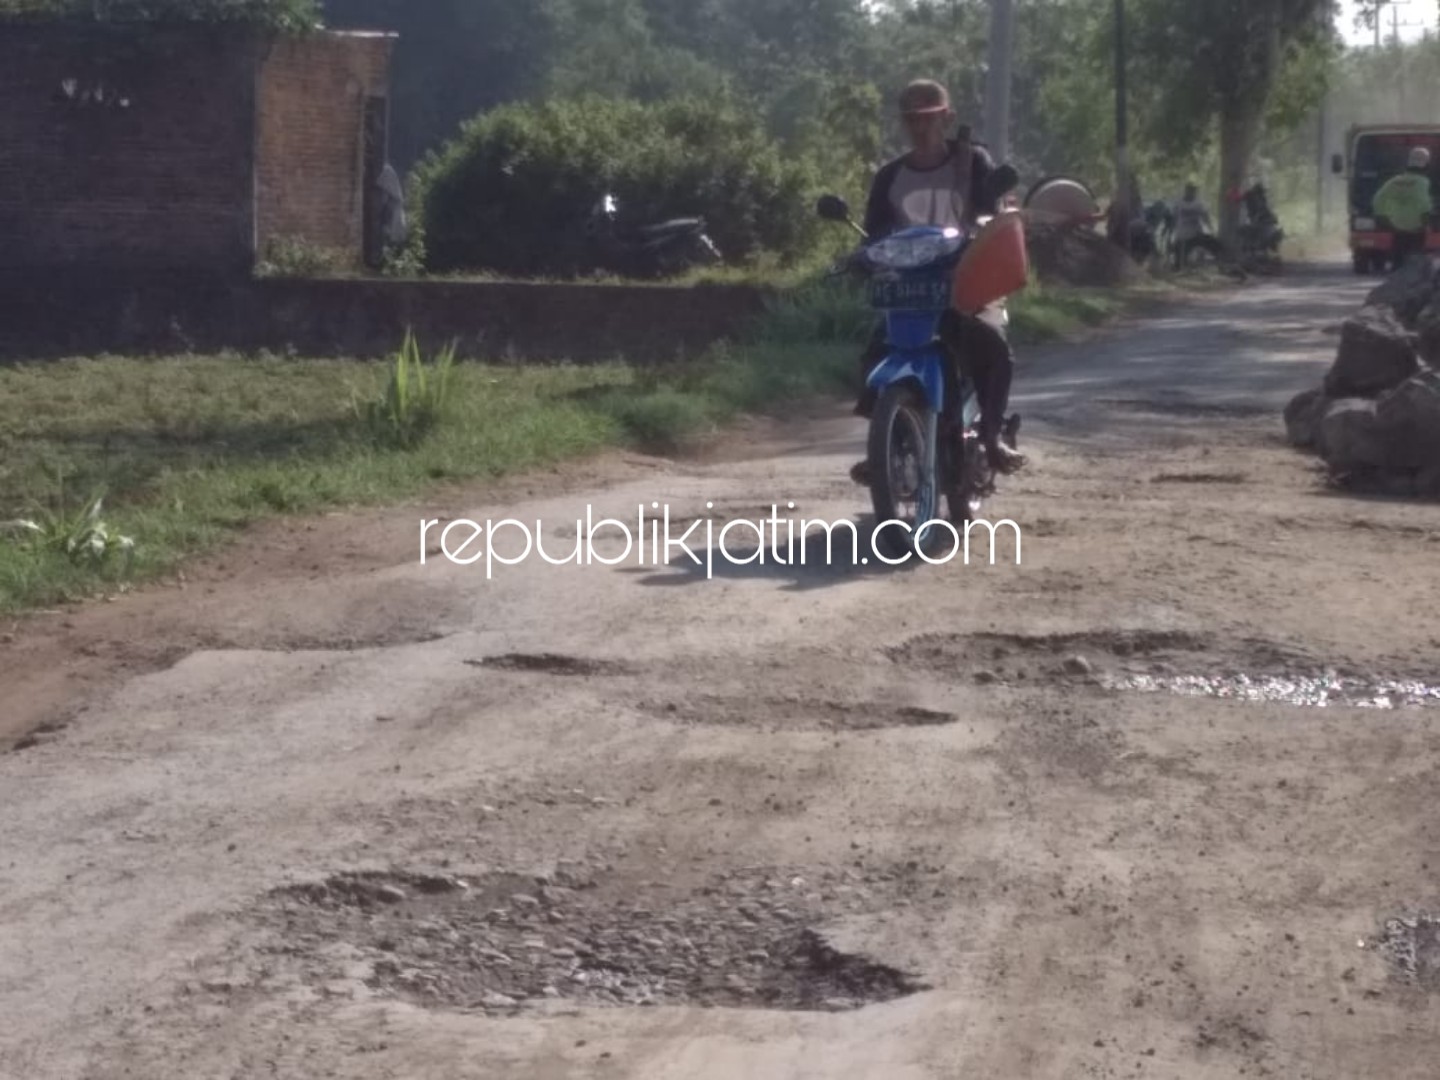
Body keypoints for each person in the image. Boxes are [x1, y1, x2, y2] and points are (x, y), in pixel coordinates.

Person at [851, 78, 1025, 482]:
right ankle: (886, 443)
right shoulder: (890, 176)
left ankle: (991, 434)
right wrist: (863, 256)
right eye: (912, 119)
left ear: (947, 118)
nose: (920, 127)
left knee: (993, 344)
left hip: (968, 282)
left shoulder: (974, 161)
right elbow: (876, 231)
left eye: (929, 118)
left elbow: (991, 212)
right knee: (875, 351)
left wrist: (982, 225)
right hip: (912, 289)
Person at [1373, 146, 1434, 270]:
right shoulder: (1422, 182)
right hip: (1417, 229)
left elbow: (1378, 199)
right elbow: (1424, 203)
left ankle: (1397, 280)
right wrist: (1427, 221)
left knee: (1398, 259)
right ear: (1426, 164)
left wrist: (1382, 217)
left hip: (1397, 226)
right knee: (1415, 261)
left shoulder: (1395, 181)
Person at [1172, 183, 1213, 269]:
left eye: (1193, 191)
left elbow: (1205, 215)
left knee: (1202, 246)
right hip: (1182, 231)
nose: (1191, 193)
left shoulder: (1198, 203)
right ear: (1186, 191)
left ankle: (1198, 264)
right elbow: (1174, 215)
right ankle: (1178, 264)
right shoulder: (1179, 202)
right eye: (1189, 190)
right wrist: (1173, 226)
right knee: (1178, 249)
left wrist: (1210, 227)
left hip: (1195, 231)